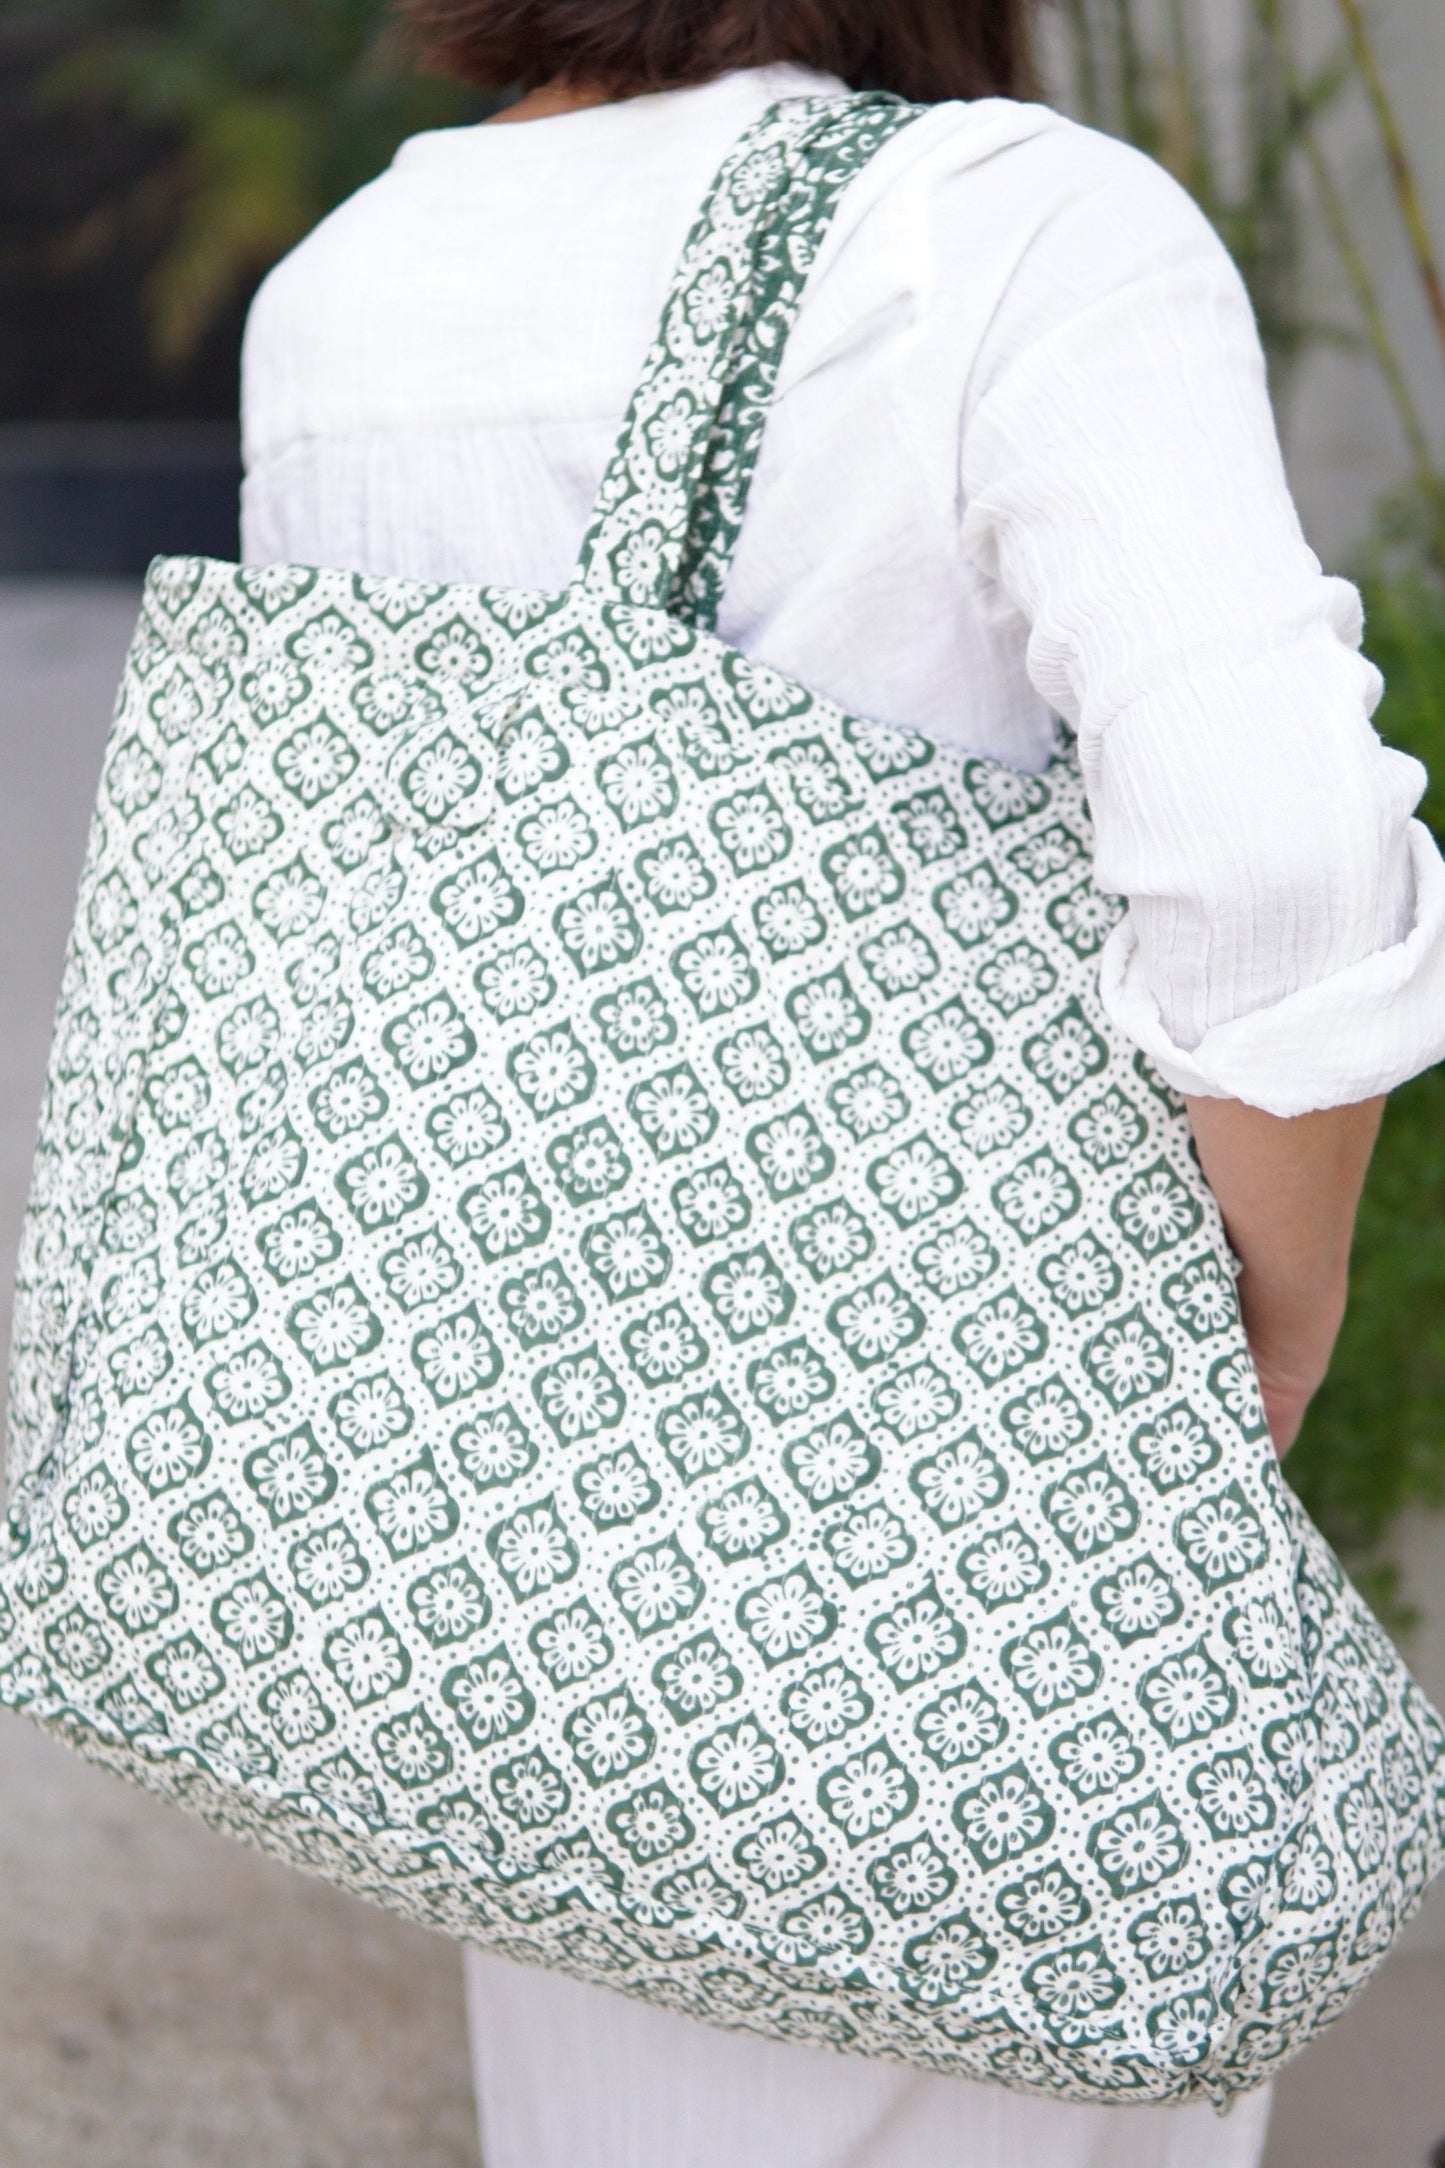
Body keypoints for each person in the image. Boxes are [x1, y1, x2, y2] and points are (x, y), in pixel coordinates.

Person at [238, 3, 1445, 2162]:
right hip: (971, 1529)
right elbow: (1273, 861)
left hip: (515, 1526)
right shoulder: (998, 230)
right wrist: (1276, 1309)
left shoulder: (344, 290)